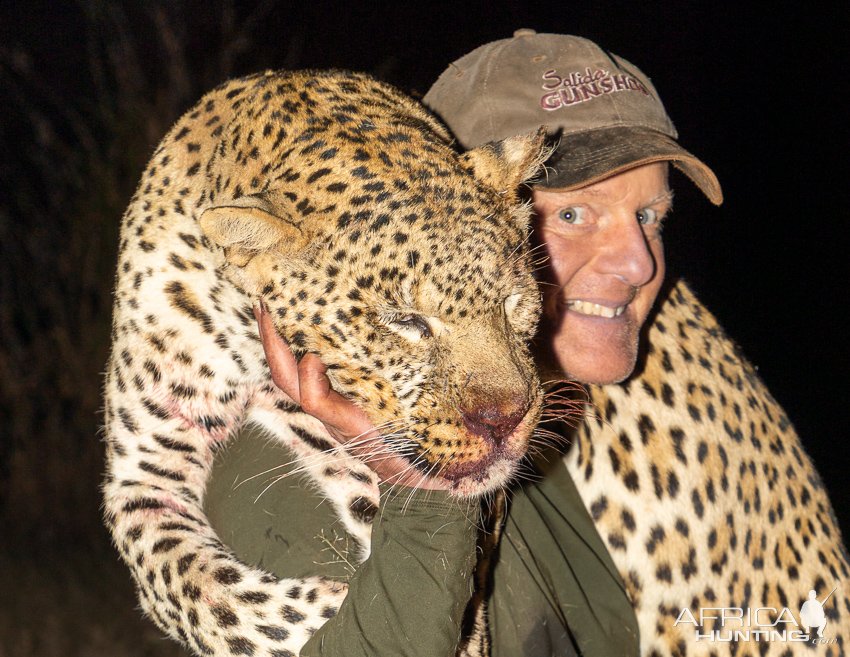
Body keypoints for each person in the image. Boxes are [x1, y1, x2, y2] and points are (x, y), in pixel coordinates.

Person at [205, 30, 722, 656]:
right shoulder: (283, 466)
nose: (639, 264)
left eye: (649, 217)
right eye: (570, 215)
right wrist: (425, 502)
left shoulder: (559, 422)